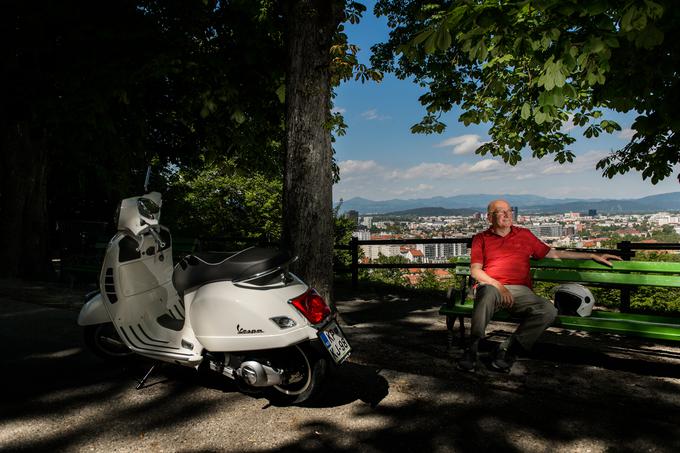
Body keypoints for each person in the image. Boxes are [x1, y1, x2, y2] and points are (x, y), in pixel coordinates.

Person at [457, 199, 622, 373]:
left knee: (548, 310)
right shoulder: (481, 238)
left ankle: (506, 350)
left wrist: (590, 256)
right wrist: (499, 286)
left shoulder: (524, 235)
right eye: (500, 211)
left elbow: (552, 253)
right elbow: (475, 271)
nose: (506, 214)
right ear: (489, 217)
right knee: (487, 292)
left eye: (509, 210)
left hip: (520, 291)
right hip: (491, 286)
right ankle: (472, 349)